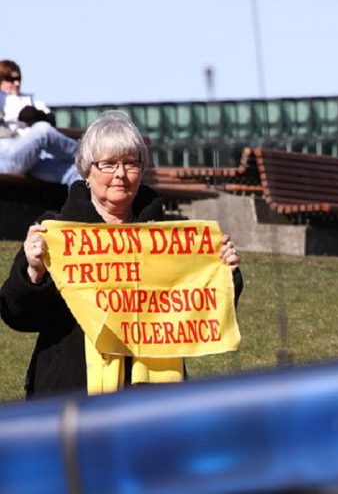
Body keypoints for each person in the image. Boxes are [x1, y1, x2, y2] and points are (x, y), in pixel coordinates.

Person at [0, 110, 244, 399]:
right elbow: (18, 316)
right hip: (68, 398)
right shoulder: (52, 233)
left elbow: (198, 310)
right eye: (108, 164)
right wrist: (33, 271)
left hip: (152, 405)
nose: (120, 174)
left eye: (130, 163)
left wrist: (225, 272)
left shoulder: (170, 237)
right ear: (87, 170)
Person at [0, 59, 79, 185]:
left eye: (18, 79)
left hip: (30, 158)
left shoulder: (28, 99)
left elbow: (50, 118)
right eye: (9, 79)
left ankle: (84, 203)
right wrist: (37, 115)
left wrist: (36, 114)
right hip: (6, 156)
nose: (15, 83)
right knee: (43, 130)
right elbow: (27, 114)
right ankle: (88, 155)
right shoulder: (4, 99)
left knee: (75, 171)